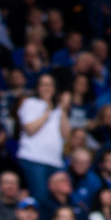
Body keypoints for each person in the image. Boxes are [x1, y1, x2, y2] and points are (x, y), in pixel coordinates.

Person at [17, 74, 72, 203]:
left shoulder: (58, 109)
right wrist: (48, 110)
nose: (46, 88)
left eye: (49, 84)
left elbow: (66, 135)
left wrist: (63, 110)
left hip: (55, 162)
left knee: (60, 199)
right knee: (40, 198)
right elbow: (30, 129)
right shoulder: (30, 103)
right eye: (43, 84)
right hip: (34, 159)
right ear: (38, 87)